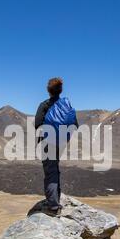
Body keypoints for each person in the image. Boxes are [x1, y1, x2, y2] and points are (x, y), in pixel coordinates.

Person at [34, 78, 78, 215]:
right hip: (61, 143)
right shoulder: (66, 105)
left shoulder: (45, 105)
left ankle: (53, 207)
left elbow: (37, 124)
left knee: (50, 172)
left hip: (48, 143)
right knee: (54, 168)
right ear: (60, 90)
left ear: (49, 91)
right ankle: (56, 197)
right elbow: (75, 124)